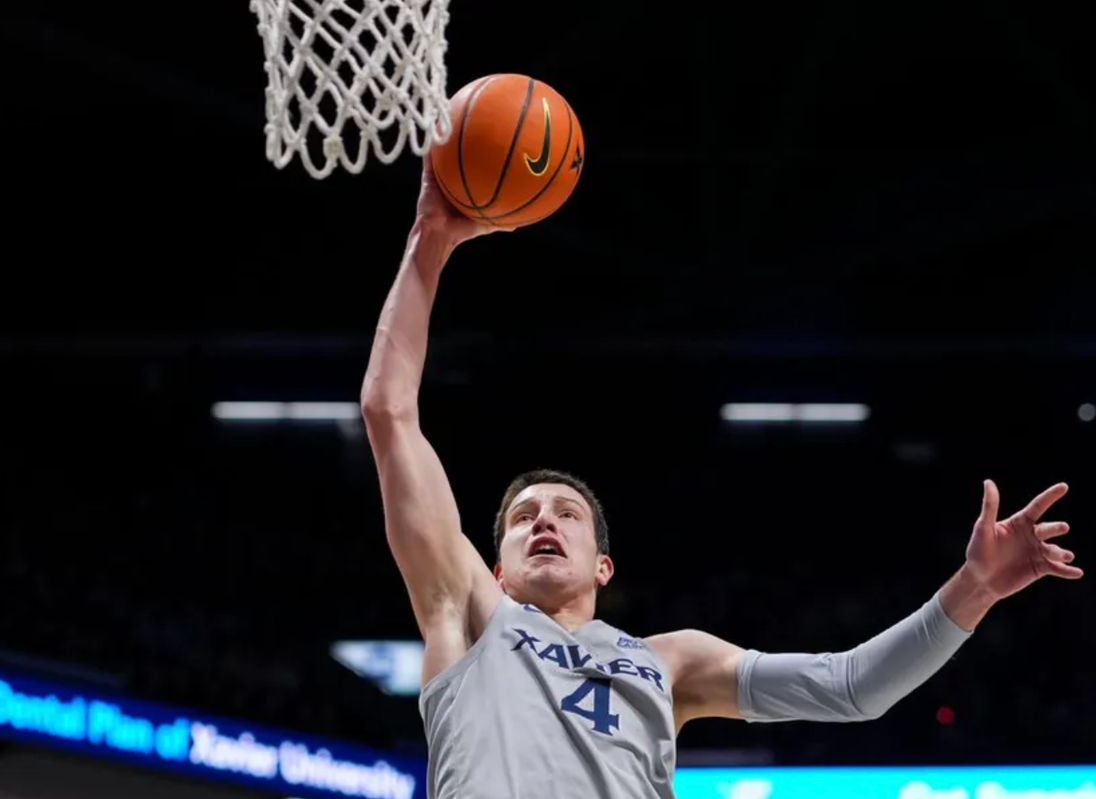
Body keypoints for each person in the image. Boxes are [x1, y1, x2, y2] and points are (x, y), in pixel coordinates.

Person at [358, 156, 1083, 799]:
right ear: (498, 567)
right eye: (524, 516)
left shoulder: (670, 660)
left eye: (566, 512)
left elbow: (852, 688)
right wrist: (431, 238)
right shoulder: (469, 611)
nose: (544, 520)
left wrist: (976, 587)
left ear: (604, 564)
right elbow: (389, 413)